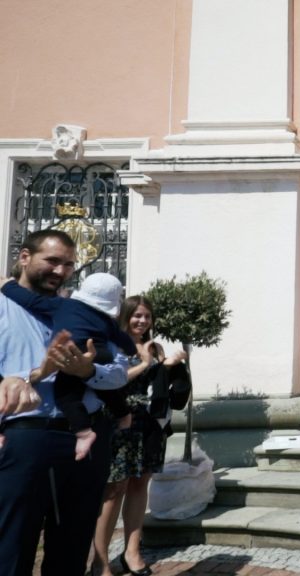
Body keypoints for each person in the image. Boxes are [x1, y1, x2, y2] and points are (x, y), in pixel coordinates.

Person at [0, 229, 128, 576]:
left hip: (85, 437)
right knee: (11, 547)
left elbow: (119, 372)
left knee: (72, 550)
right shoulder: (2, 306)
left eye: (69, 265)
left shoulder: (83, 309)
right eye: (52, 261)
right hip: (25, 435)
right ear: (25, 257)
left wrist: (90, 371)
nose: (60, 271)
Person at [91, 295, 189, 576]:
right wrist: (149, 365)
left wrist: (172, 367)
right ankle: (99, 561)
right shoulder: (112, 345)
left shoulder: (155, 347)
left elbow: (162, 389)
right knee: (113, 491)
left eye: (147, 316)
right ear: (125, 316)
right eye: (137, 315)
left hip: (149, 425)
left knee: (139, 486)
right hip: (119, 422)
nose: (142, 321)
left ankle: (132, 552)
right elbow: (110, 383)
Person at [2, 272, 136, 460]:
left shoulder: (63, 305)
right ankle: (123, 413)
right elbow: (125, 342)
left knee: (66, 395)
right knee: (104, 389)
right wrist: (133, 349)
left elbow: (31, 301)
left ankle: (83, 433)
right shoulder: (108, 321)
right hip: (99, 354)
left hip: (72, 354)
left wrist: (8, 286)